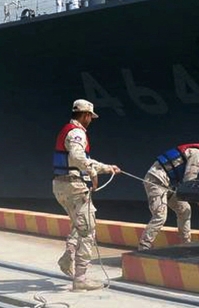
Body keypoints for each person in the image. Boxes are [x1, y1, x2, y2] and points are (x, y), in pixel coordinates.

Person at [52, 99, 120, 291]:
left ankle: (67, 258)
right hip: (73, 186)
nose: (91, 120)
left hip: (60, 186)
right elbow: (77, 157)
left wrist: (102, 169)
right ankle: (80, 278)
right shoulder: (77, 133)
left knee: (77, 224)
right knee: (88, 231)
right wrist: (99, 169)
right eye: (91, 116)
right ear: (85, 115)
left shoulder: (66, 130)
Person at [138, 135, 199, 250]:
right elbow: (189, 181)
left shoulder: (196, 152)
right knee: (160, 215)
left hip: (167, 185)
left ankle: (185, 243)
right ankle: (144, 246)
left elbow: (185, 182)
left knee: (184, 209)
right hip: (156, 181)